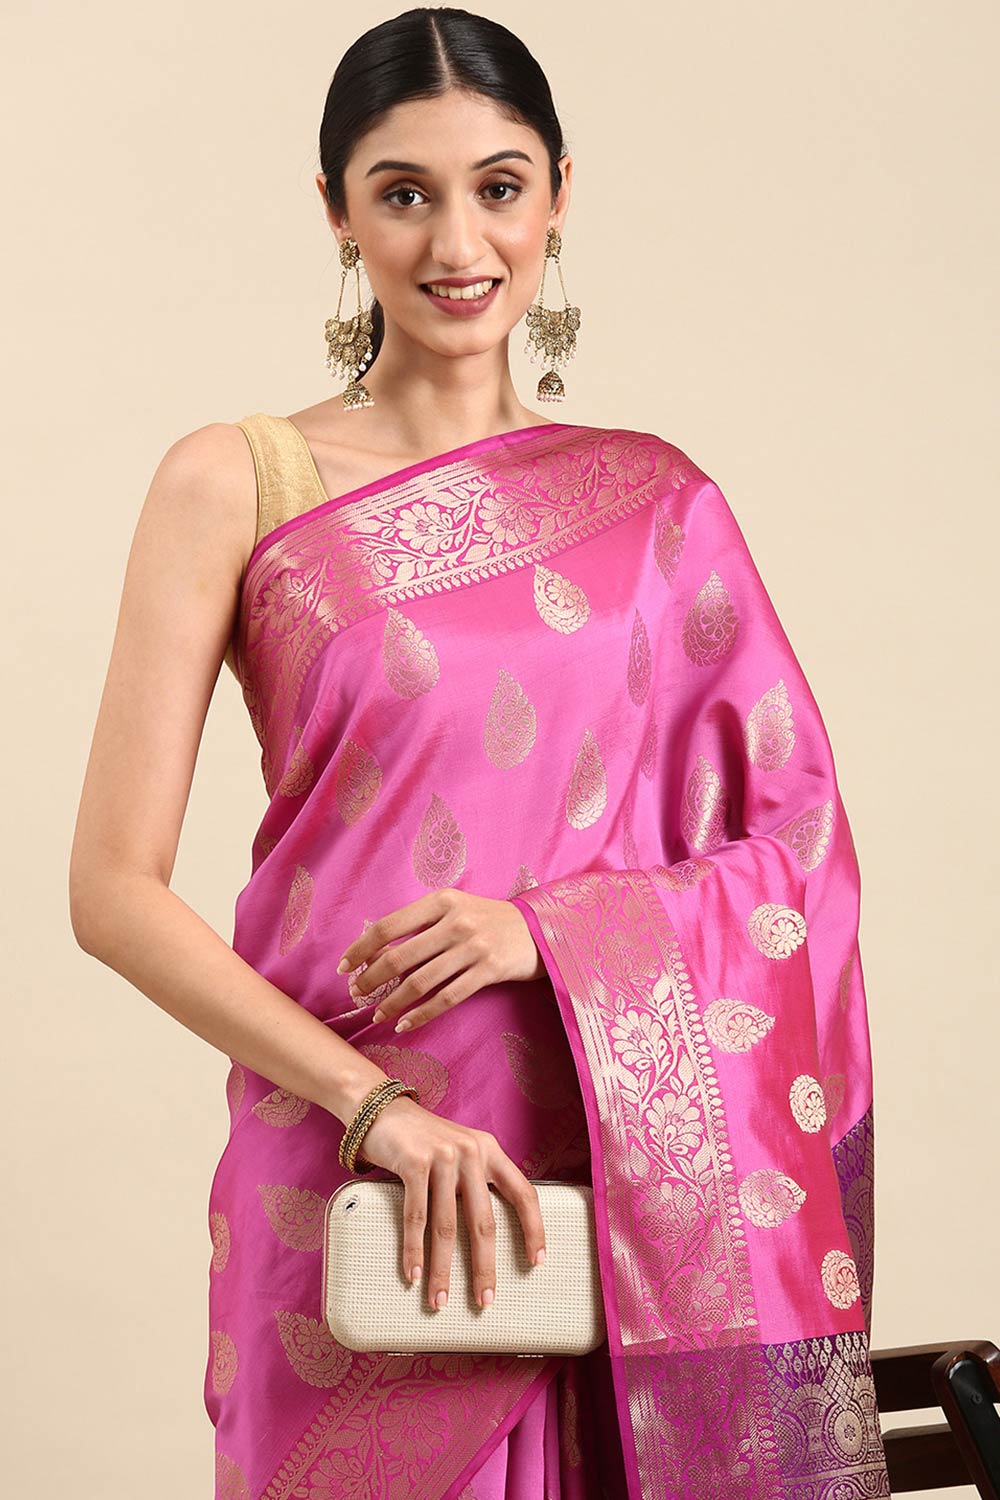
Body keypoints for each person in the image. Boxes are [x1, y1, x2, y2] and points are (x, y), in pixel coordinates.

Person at [69, 8, 893, 1498]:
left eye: (499, 187)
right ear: (337, 212)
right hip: (346, 1174)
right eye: (404, 192)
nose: (458, 242)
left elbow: (799, 855)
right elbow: (111, 891)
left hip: (609, 1195)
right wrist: (373, 1111)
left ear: (560, 195)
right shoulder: (239, 481)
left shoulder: (659, 508)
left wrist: (546, 932)